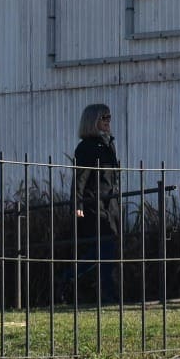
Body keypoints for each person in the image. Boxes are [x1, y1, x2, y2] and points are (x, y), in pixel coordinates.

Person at [72, 102, 122, 304]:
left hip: (110, 205)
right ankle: (109, 296)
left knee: (103, 251)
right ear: (93, 121)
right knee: (105, 250)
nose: (108, 121)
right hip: (95, 205)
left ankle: (66, 279)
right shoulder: (86, 147)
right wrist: (78, 206)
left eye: (109, 117)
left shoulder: (108, 144)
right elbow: (80, 178)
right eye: (104, 118)